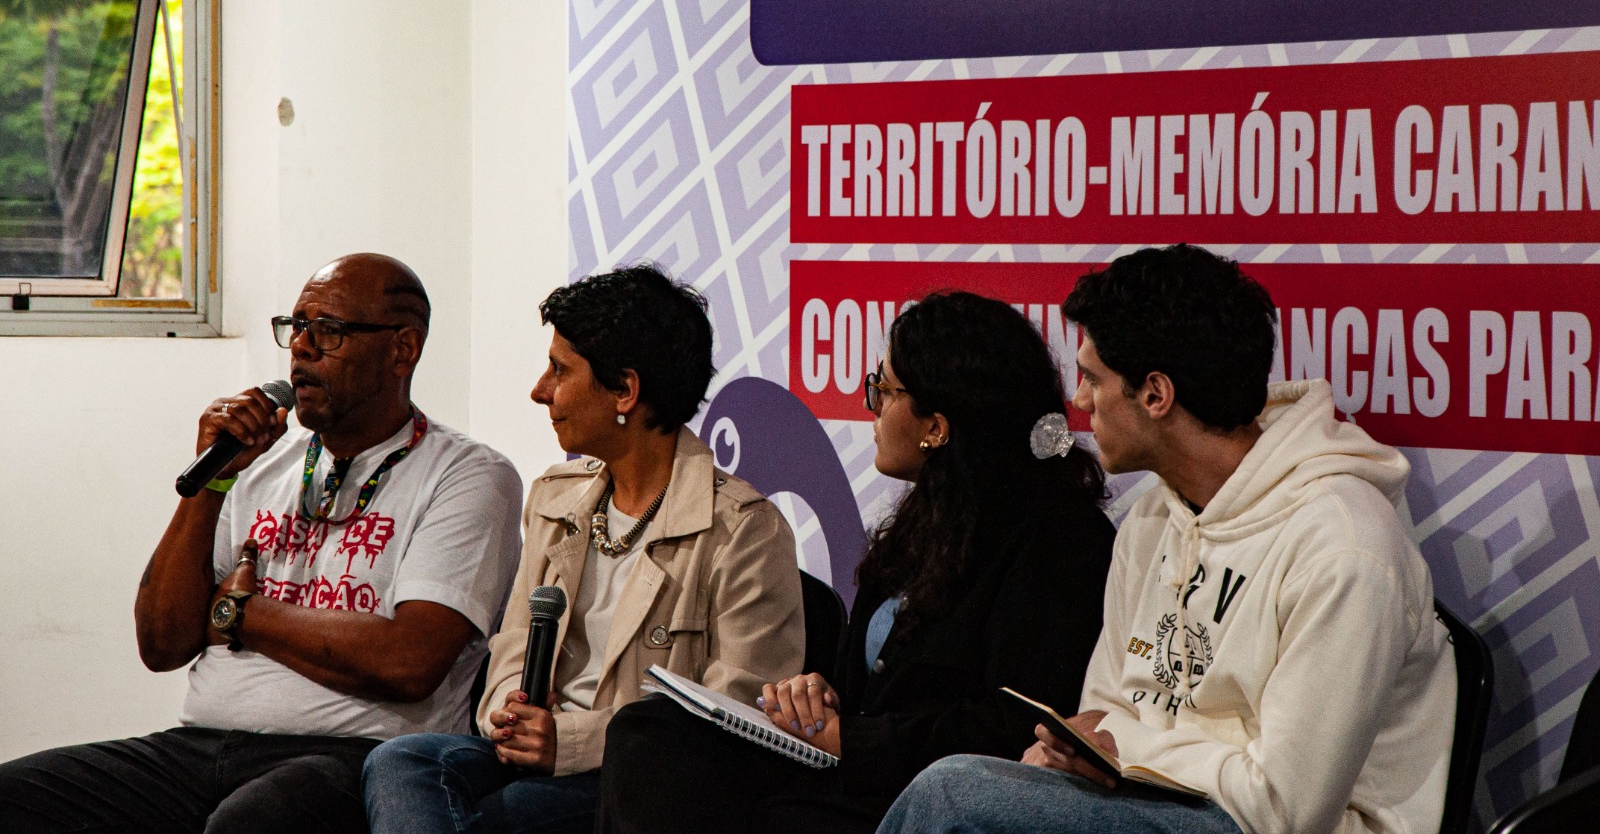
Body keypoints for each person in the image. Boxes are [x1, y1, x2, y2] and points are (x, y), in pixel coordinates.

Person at [879, 244, 1458, 834]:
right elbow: (1100, 713)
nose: (1078, 402)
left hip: (1266, 826)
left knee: (954, 797)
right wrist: (1079, 754)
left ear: (1156, 394)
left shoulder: (1345, 545)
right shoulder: (1152, 520)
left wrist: (1121, 747)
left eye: (1091, 378)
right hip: (1154, 802)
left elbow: (1282, 810)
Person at [0, 253, 524, 834]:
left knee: (250, 823)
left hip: (353, 757)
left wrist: (234, 611)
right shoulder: (259, 464)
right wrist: (213, 482)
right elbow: (162, 641)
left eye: (328, 331)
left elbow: (408, 661)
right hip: (199, 745)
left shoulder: (468, 475)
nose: (301, 348)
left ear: (402, 350)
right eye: (296, 327)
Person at [594, 290, 1115, 834]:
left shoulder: (1059, 536)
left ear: (936, 426)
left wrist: (851, 738)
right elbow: (867, 688)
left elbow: (1016, 725)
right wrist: (816, 692)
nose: (869, 405)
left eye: (882, 390)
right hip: (844, 770)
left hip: (921, 794)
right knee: (649, 732)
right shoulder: (923, 521)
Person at [362, 263, 805, 834]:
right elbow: (514, 643)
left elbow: (732, 716)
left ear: (625, 389)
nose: (539, 390)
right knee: (401, 761)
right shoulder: (555, 497)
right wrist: (509, 714)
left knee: (503, 817)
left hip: (636, 783)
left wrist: (568, 743)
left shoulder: (744, 530)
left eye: (559, 369)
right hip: (531, 754)